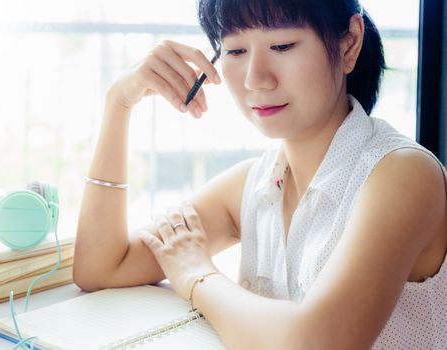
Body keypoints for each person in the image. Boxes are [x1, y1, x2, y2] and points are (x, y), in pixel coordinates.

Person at [74, 0, 447, 348]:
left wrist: (197, 277)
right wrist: (120, 102)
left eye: (282, 46)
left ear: (349, 43)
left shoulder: (403, 173)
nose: (256, 79)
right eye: (236, 51)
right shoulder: (254, 183)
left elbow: (319, 341)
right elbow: (102, 266)